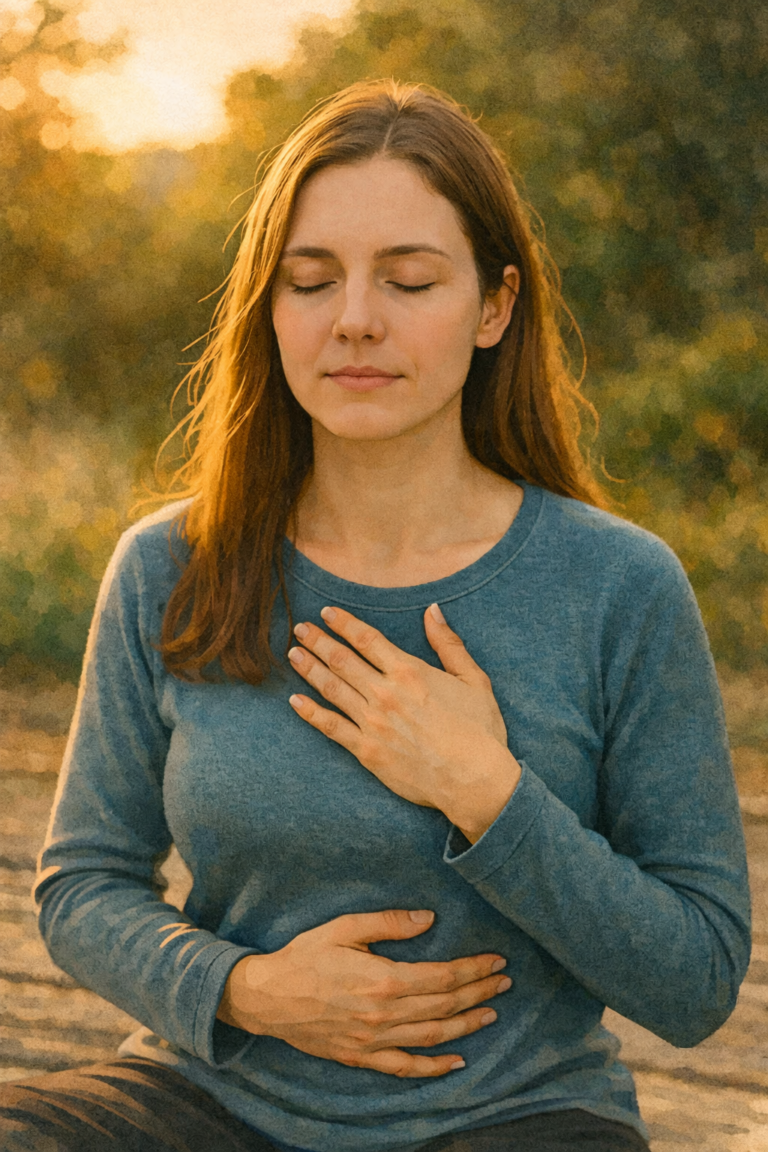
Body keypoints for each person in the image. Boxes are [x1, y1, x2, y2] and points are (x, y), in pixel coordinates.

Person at [0, 80, 750, 1152]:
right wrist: (244, 990)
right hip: (209, 1103)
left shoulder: (619, 587)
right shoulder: (170, 565)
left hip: (513, 1117)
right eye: (311, 281)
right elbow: (82, 885)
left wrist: (485, 792)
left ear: (494, 307)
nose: (354, 317)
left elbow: (696, 980)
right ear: (271, 309)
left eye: (409, 280)